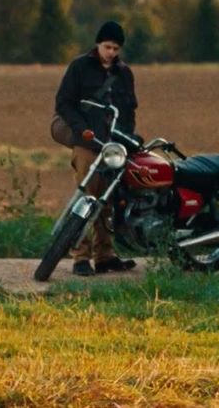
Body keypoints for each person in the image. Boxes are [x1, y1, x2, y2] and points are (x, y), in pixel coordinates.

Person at [54, 20, 139, 276]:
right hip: (87, 142)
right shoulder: (79, 67)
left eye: (115, 48)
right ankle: (81, 257)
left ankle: (105, 256)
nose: (111, 52)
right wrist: (82, 130)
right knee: (86, 199)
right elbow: (64, 103)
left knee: (108, 200)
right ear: (98, 44)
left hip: (113, 146)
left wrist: (127, 138)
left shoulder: (124, 73)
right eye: (107, 46)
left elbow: (129, 109)